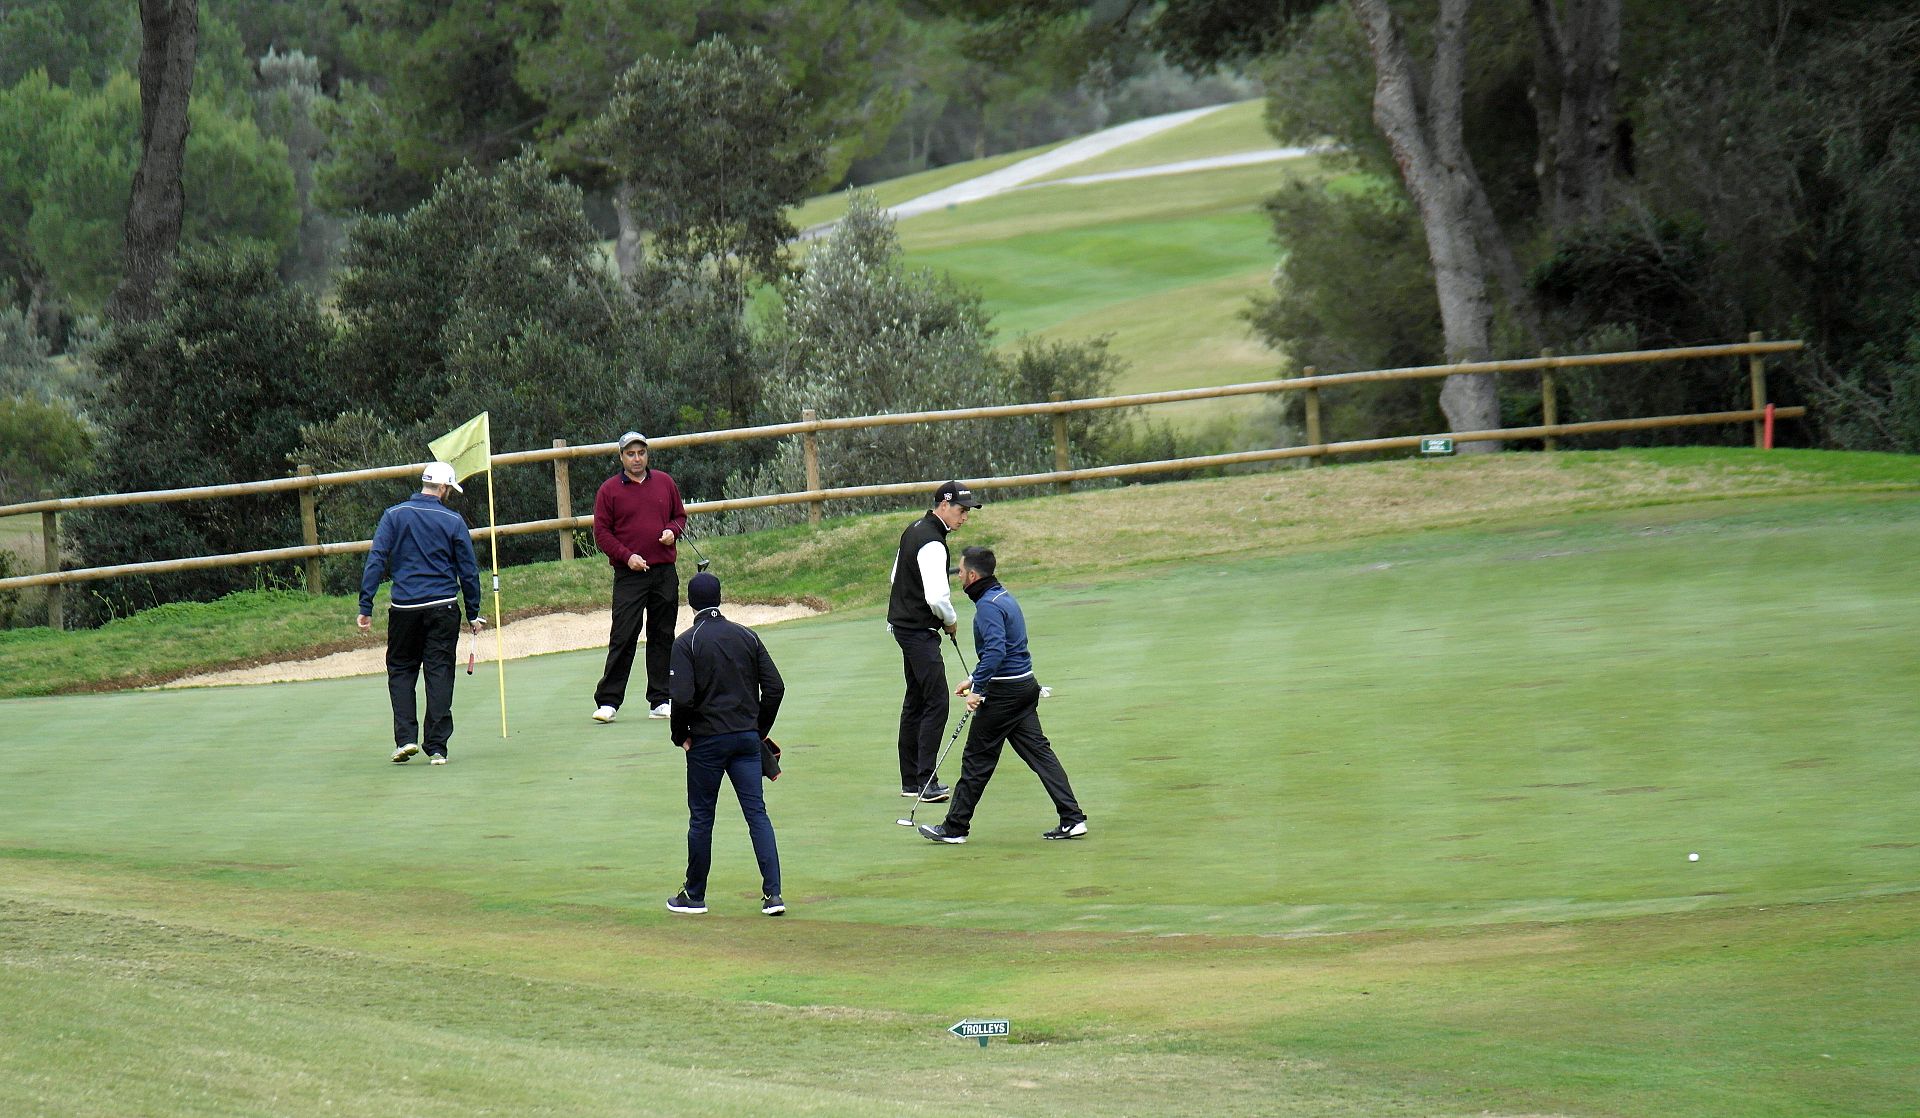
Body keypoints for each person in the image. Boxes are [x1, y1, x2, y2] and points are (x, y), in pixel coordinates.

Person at [920, 546, 1087, 844]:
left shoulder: (987, 606)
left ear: (972, 575)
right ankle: (1072, 819)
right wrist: (973, 678)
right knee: (1040, 754)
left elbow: (996, 651)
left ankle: (955, 827)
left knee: (976, 760)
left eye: (960, 572)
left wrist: (979, 690)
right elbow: (1005, 651)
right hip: (1024, 687)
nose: (958, 577)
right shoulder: (1003, 596)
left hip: (1004, 694)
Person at [666, 572, 787, 916]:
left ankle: (695, 895)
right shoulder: (747, 636)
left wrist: (680, 736)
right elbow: (775, 688)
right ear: (720, 597)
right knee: (757, 815)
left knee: (702, 819)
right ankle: (773, 895)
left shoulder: (686, 642)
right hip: (746, 741)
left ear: (691, 603)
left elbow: (683, 698)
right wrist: (758, 729)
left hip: (706, 743)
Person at [357, 462, 484, 766]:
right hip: (443, 607)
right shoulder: (452, 520)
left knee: (402, 669)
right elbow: (468, 570)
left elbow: (377, 559)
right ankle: (437, 747)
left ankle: (406, 739)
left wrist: (366, 605)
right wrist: (473, 611)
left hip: (404, 609)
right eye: (449, 490)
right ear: (442, 488)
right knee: (439, 671)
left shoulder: (393, 516)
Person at [888, 480, 980, 803]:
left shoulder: (915, 529)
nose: (964, 517)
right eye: (961, 510)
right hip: (917, 631)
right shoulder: (932, 542)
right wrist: (951, 621)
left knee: (916, 698)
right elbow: (937, 596)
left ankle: (911, 779)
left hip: (903, 626)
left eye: (967, 511)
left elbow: (895, 576)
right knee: (937, 700)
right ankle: (926, 780)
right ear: (943, 505)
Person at [590, 430, 687, 723]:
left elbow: (679, 516)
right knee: (624, 635)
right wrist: (626, 556)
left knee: (662, 634)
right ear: (621, 457)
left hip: (663, 571)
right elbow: (602, 533)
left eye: (641, 453)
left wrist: (672, 531)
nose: (636, 458)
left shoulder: (665, 482)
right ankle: (608, 701)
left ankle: (660, 698)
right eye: (630, 454)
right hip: (629, 573)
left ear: (647, 454)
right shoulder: (609, 490)